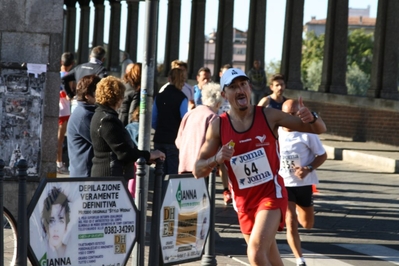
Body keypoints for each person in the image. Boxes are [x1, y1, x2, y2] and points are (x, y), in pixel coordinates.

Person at [193, 68, 326, 265]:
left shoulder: (268, 115)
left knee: (255, 253)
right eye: (233, 87)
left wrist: (312, 116)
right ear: (224, 94)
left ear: (249, 88)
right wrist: (216, 159)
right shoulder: (218, 126)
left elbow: (319, 129)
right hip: (243, 202)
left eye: (243, 84)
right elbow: (197, 169)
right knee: (270, 259)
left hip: (271, 194)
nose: (240, 90)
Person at [279, 99, 327, 266]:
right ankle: (300, 259)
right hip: (285, 183)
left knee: (307, 224)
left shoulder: (307, 132)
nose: (290, 117)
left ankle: (301, 211)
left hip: (304, 184)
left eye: (294, 114)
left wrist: (308, 168)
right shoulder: (275, 132)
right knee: (290, 220)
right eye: (287, 114)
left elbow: (322, 155)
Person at [90, 76, 165, 179]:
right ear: (117, 97)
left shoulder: (101, 115)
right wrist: (150, 155)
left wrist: (145, 157)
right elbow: (124, 152)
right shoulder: (107, 119)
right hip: (110, 177)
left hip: (107, 175)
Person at [175, 82, 223, 174]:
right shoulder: (213, 117)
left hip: (184, 164)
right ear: (218, 103)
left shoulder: (189, 114)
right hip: (202, 167)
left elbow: (178, 142)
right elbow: (214, 145)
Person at [152, 68, 188, 175]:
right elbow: (184, 121)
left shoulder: (159, 97)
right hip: (174, 140)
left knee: (159, 172)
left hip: (159, 138)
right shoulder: (182, 98)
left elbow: (154, 119)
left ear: (169, 78)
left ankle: (159, 192)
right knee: (172, 172)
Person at [67, 75, 101, 177]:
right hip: (84, 176)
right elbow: (101, 143)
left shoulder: (86, 111)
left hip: (83, 174)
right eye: (98, 93)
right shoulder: (85, 115)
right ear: (87, 96)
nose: (101, 96)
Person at [41, 187, 70, 260]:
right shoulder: (40, 252)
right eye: (51, 221)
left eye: (61, 221)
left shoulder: (73, 252)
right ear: (45, 224)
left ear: (66, 226)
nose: (56, 229)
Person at [58, 52, 74, 174]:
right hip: (64, 110)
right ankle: (59, 162)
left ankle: (57, 161)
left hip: (55, 108)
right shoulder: (69, 77)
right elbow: (69, 95)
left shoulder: (55, 74)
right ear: (72, 64)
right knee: (60, 139)